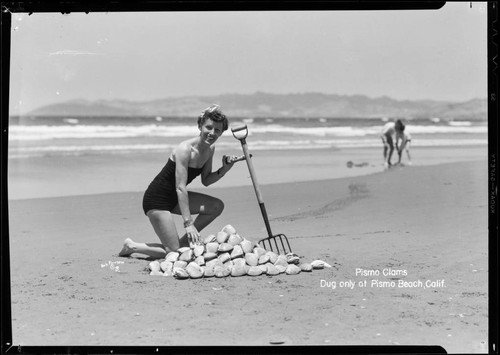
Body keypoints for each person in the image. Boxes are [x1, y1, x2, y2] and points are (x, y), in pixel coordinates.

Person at [119, 104, 238, 259]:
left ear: (222, 132)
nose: (212, 133)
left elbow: (206, 180)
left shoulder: (210, 149)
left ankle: (182, 245)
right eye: (208, 127)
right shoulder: (185, 149)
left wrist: (225, 169)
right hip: (157, 199)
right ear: (200, 126)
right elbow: (180, 187)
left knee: (216, 206)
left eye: (217, 130)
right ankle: (132, 246)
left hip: (175, 198)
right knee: (173, 253)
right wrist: (188, 224)